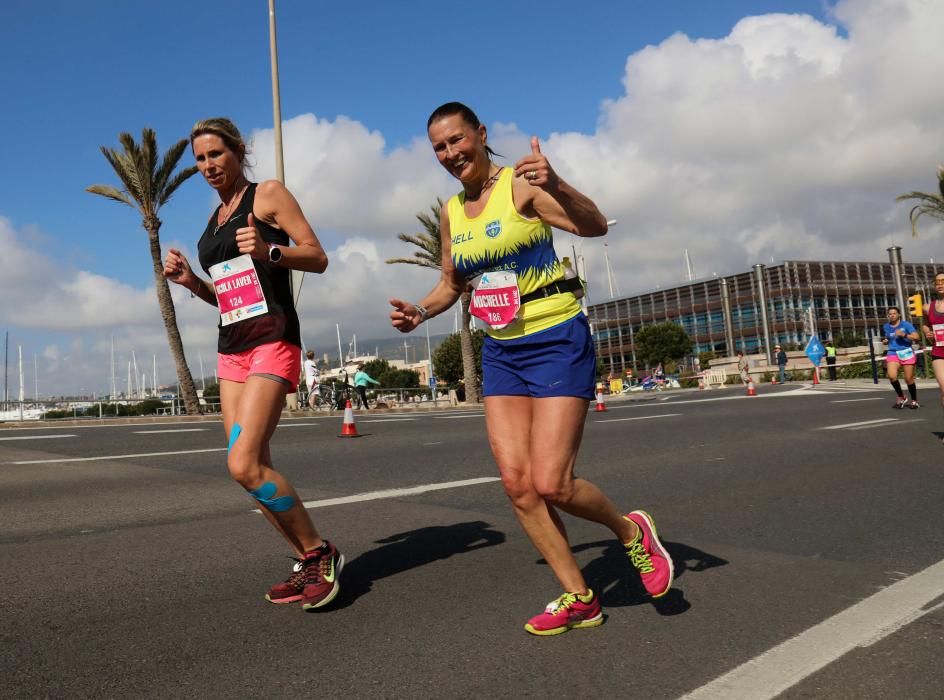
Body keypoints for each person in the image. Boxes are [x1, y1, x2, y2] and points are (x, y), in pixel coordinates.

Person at [389, 102, 673, 636]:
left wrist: (558, 184)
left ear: (481, 134)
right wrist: (421, 310)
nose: (451, 154)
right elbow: (453, 282)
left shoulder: (518, 187)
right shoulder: (452, 211)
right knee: (519, 486)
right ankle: (579, 596)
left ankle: (630, 532)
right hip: (500, 350)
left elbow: (590, 226)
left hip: (555, 338)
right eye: (440, 149)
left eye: (457, 140)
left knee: (553, 481)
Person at [163, 117, 342, 610]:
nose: (207, 166)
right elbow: (228, 299)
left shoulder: (267, 196)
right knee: (248, 469)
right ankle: (307, 562)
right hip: (232, 351)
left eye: (215, 155)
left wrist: (271, 251)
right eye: (199, 159)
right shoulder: (214, 220)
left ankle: (321, 553)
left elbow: (318, 256)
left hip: (272, 341)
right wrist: (190, 283)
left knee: (243, 462)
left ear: (238, 151)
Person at [881, 306, 920, 409]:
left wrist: (904, 334)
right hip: (893, 352)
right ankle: (901, 396)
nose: (892, 315)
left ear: (899, 315)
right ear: (888, 316)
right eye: (890, 314)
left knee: (908, 378)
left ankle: (914, 400)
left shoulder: (906, 324)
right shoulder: (886, 326)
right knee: (891, 376)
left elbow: (916, 337)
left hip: (906, 351)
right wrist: (886, 340)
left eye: (894, 313)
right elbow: (889, 337)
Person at [921, 273, 944, 435]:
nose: (940, 284)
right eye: (937, 282)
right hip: (939, 352)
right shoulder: (927, 307)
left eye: (943, 281)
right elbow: (925, 324)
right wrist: (928, 332)